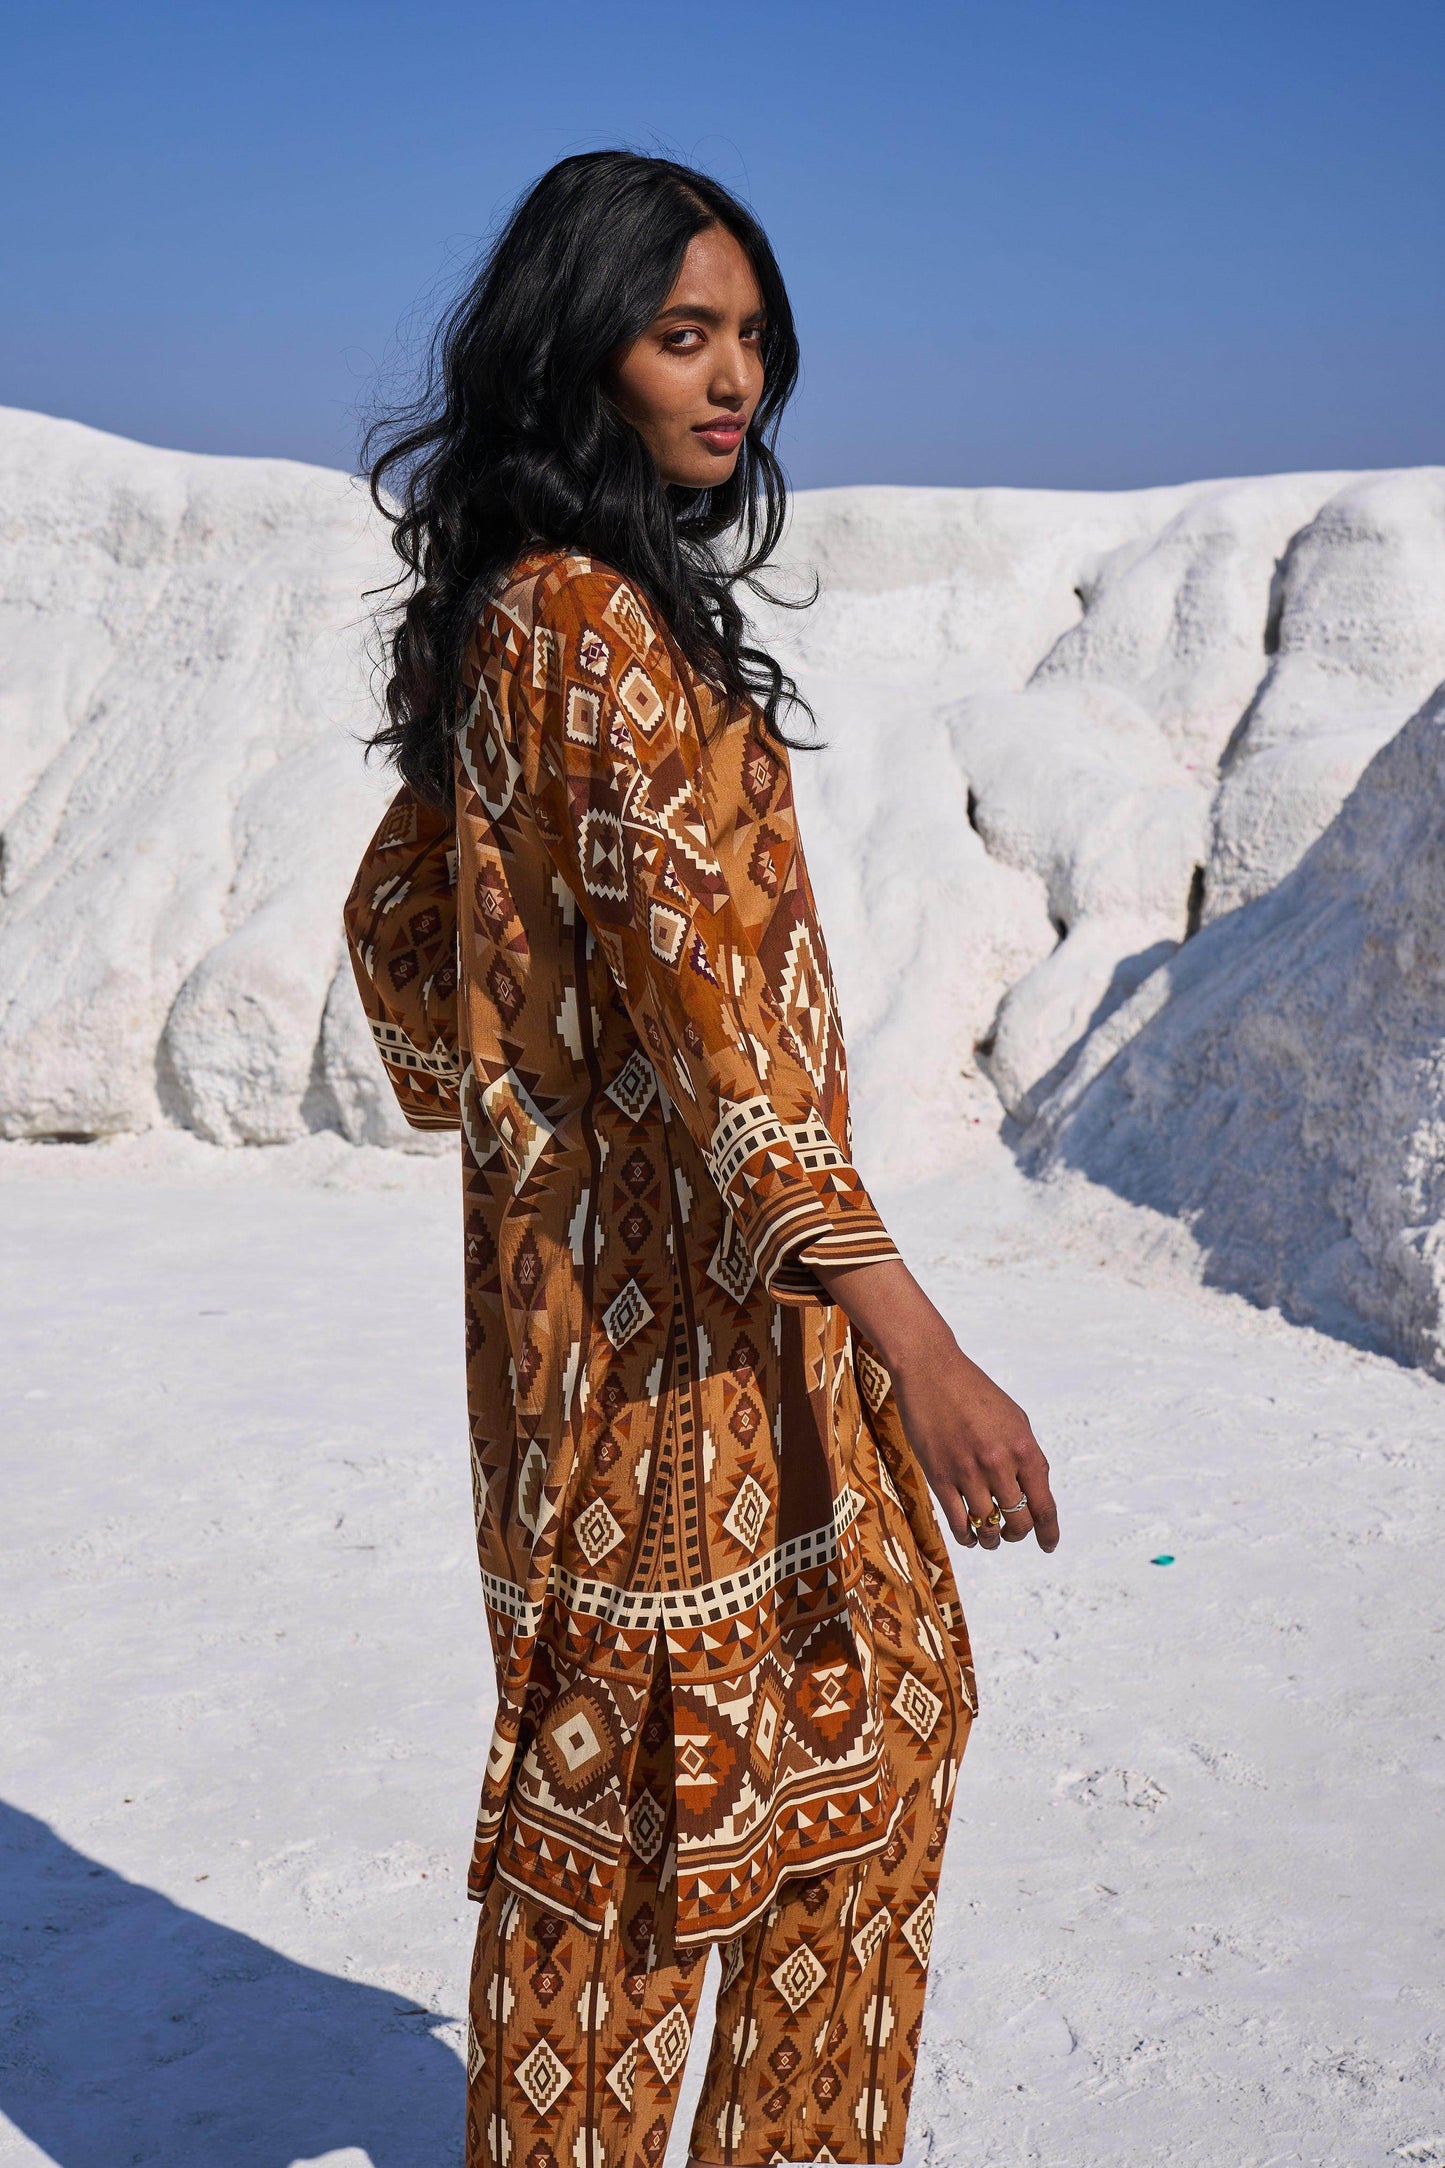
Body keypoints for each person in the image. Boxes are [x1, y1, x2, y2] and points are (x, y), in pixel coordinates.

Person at [344, 149, 1058, 2168]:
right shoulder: (578, 624)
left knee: (868, 1742)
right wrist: (924, 1348)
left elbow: (401, 959)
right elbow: (714, 1035)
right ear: (583, 355)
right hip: (653, 1376)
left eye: (749, 337)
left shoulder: (569, 615)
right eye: (682, 337)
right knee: (642, 1858)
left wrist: (523, 1065)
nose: (734, 378)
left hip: (713, 1328)